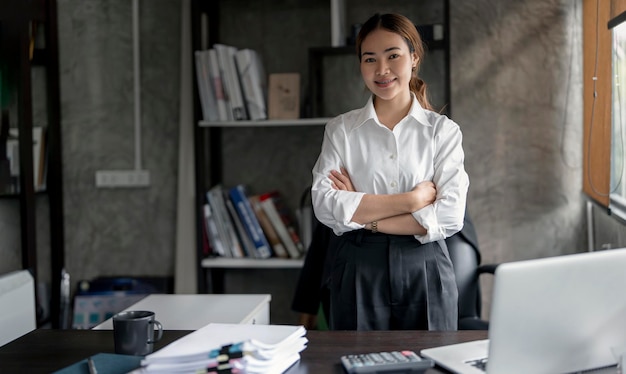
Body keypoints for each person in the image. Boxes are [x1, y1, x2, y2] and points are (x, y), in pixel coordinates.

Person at [310, 13, 469, 331]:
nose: (381, 70)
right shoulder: (342, 130)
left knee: (431, 363)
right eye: (370, 59)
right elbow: (325, 205)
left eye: (393, 56)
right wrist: (413, 200)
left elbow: (450, 215)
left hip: (424, 265)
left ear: (414, 58)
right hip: (357, 267)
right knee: (357, 362)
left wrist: (364, 215)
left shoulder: (442, 132)